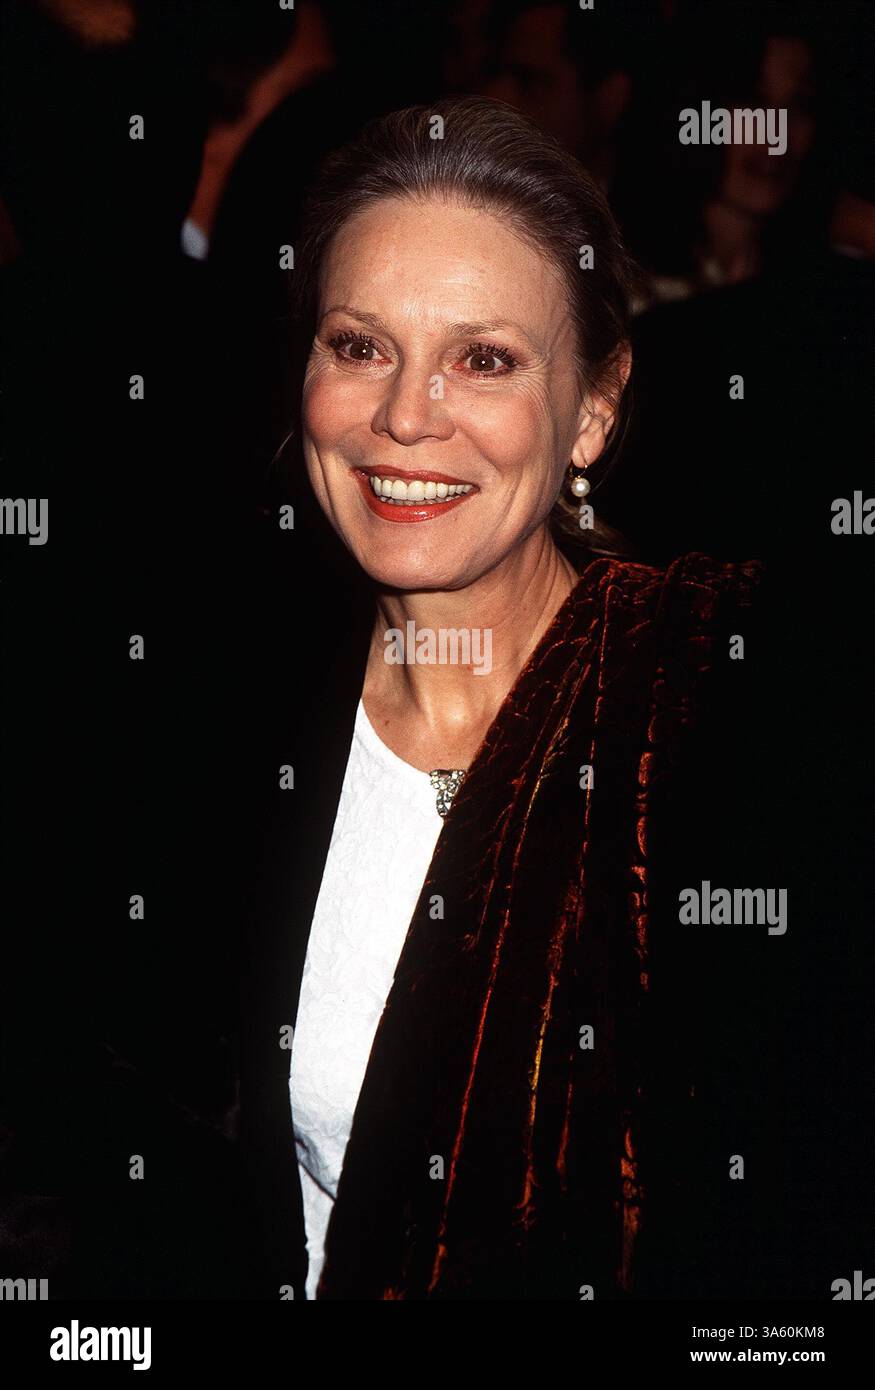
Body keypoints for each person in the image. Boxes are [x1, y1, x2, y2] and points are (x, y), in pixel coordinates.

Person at [239, 95, 769, 1301]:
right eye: (359, 345)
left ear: (592, 406)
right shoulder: (235, 718)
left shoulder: (714, 714)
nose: (403, 417)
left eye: (483, 358)